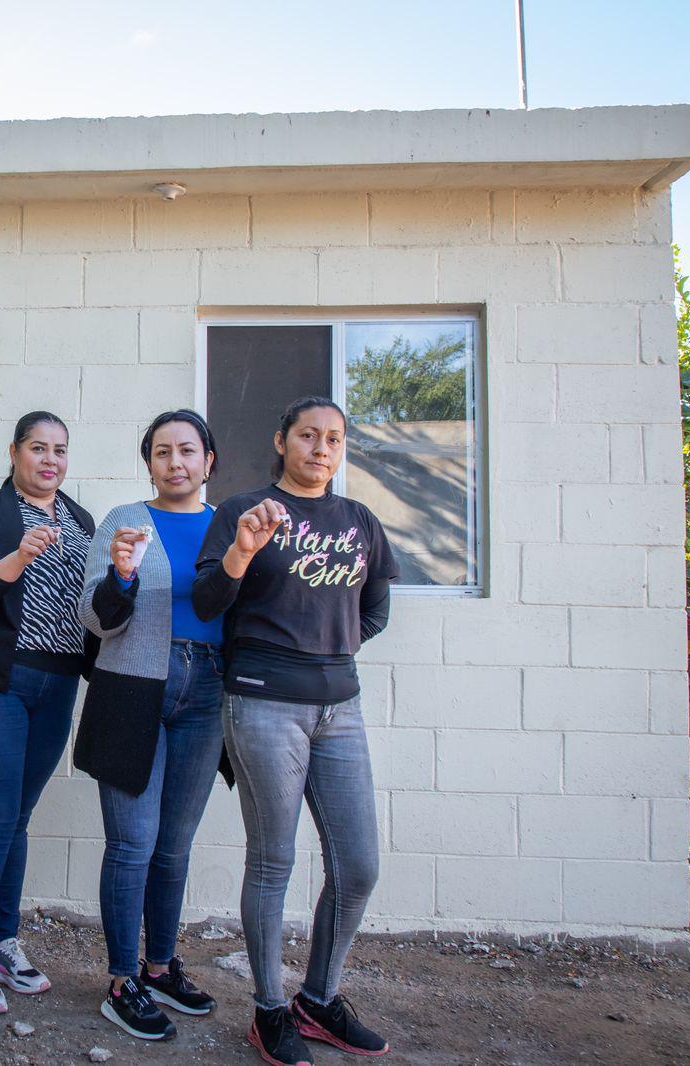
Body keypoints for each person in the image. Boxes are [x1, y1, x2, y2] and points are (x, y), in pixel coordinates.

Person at [192, 397, 399, 1065]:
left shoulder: (360, 521)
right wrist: (241, 552)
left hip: (340, 707)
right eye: (308, 435)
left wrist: (324, 650)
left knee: (358, 865)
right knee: (273, 860)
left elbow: (373, 611)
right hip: (263, 704)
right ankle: (269, 1009)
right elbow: (207, 602)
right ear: (282, 441)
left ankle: (319, 999)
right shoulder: (243, 511)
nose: (321, 448)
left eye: (333, 438)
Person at [76, 409, 229, 1042]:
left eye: (187, 450)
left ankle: (160, 967)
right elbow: (94, 620)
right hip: (133, 691)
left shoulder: (228, 526)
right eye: (162, 452)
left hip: (208, 691)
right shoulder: (124, 521)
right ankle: (122, 980)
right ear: (149, 464)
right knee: (132, 844)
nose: (175, 462)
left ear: (208, 461)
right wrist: (122, 576)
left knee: (174, 845)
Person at [0, 410, 97, 1016]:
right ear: (14, 452)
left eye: (60, 449)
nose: (50, 459)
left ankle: (4, 941)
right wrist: (19, 557)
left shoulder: (81, 519)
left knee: (20, 816)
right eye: (38, 447)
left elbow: (90, 608)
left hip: (58, 682)